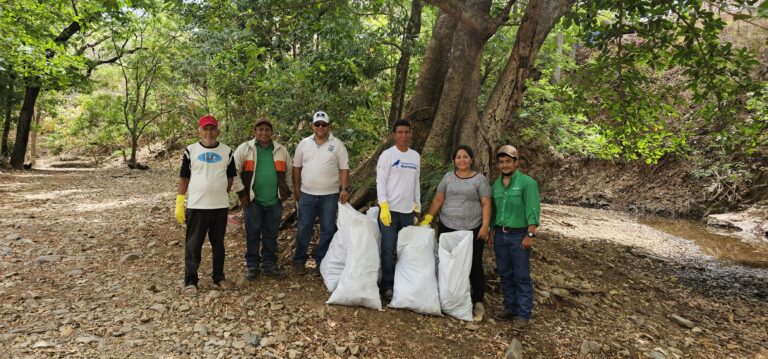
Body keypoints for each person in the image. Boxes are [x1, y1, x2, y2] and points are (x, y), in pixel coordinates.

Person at [419, 145, 492, 321]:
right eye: (458, 157)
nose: (462, 160)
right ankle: (447, 296)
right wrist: (428, 217)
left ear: (472, 160)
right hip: (448, 227)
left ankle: (478, 300)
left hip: (472, 229)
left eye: (465, 157)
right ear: (454, 161)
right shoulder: (448, 177)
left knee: (474, 263)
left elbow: (486, 204)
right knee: (447, 263)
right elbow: (438, 198)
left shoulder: (479, 180)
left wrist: (485, 226)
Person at [175, 115, 236, 296]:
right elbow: (184, 177)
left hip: (219, 207)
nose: (208, 132)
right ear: (199, 131)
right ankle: (190, 281)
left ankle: (219, 277)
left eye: (212, 129)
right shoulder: (190, 150)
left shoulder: (227, 151)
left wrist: (221, 193)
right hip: (197, 206)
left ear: (218, 131)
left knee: (218, 245)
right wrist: (179, 201)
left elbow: (230, 176)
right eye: (205, 129)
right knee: (193, 245)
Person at [232, 117, 293, 280]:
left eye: (267, 129)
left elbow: (289, 172)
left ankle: (269, 265)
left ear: (271, 132)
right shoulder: (245, 149)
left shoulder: (280, 150)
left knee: (271, 234)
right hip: (252, 201)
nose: (264, 132)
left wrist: (287, 191)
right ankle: (252, 266)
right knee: (252, 233)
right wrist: (242, 194)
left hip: (274, 201)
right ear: (255, 132)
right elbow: (233, 172)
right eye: (260, 129)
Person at [292, 111, 350, 275]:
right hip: (307, 194)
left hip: (330, 195)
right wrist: (297, 189)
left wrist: (344, 188)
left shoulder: (337, 144)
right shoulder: (304, 143)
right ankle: (299, 260)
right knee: (304, 227)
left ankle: (322, 262)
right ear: (312, 126)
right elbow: (296, 168)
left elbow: (344, 168)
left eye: (323, 124)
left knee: (328, 228)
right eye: (317, 124)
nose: (320, 127)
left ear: (328, 126)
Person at [490, 145, 540, 331]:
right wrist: (491, 231)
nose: (505, 165)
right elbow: (494, 211)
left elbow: (533, 210)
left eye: (508, 161)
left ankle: (523, 314)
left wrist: (530, 234)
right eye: (501, 162)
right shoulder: (496, 185)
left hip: (519, 235)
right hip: (500, 235)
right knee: (504, 273)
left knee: (521, 275)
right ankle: (509, 308)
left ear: (516, 162)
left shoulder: (527, 183)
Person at [376, 119, 421, 301]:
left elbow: (415, 182)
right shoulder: (387, 155)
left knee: (405, 250)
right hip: (390, 212)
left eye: (406, 132)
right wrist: (383, 206)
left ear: (410, 134)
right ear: (394, 135)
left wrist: (417, 206)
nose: (403, 135)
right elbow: (381, 181)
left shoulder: (415, 156)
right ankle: (387, 285)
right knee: (387, 248)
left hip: (407, 212)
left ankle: (403, 285)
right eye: (400, 132)